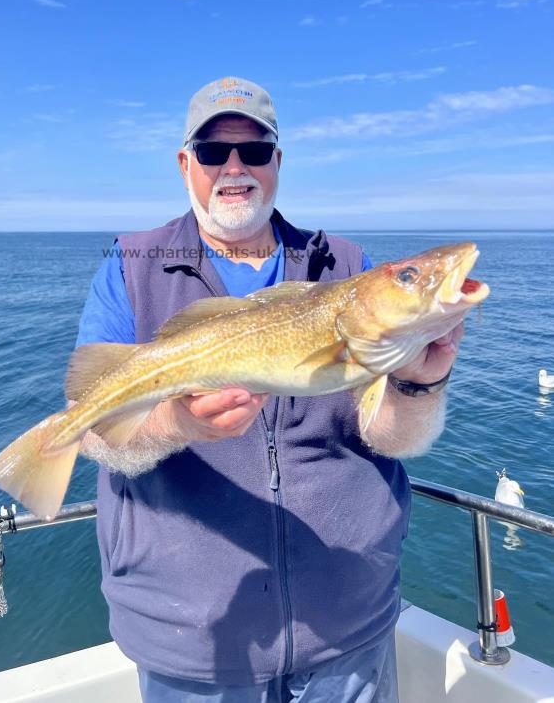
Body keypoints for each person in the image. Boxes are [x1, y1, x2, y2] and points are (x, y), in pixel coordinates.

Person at [75, 77, 463, 703]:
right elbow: (94, 431)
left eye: (255, 152)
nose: (235, 168)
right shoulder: (130, 265)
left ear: (278, 162)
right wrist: (177, 423)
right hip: (195, 640)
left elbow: (391, 436)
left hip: (349, 625)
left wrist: (421, 381)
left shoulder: (346, 266)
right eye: (212, 152)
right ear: (184, 164)